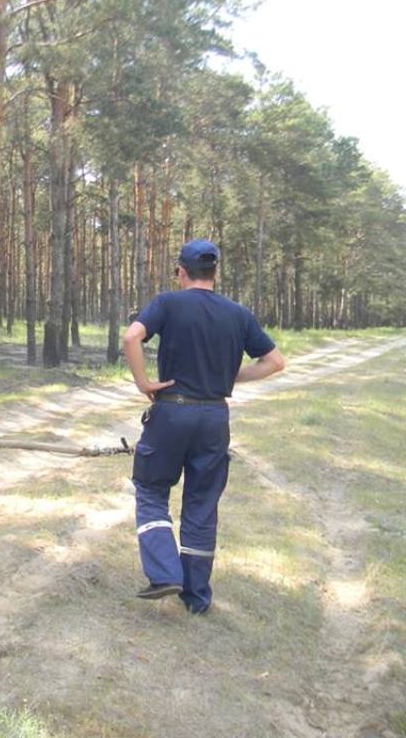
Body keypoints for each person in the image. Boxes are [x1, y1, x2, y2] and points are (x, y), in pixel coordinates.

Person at [121, 238, 285, 614]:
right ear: (214, 272)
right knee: (202, 502)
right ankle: (195, 597)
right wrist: (229, 377)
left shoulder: (167, 302)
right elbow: (275, 361)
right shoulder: (238, 313)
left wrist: (144, 383)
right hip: (214, 416)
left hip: (172, 412)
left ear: (181, 271)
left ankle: (164, 573)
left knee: (151, 489)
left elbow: (132, 336)